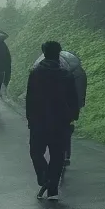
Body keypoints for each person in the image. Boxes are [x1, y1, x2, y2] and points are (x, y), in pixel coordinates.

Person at [25, 41, 79, 200]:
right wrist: (72, 116)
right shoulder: (66, 75)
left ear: (44, 53)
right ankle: (53, 189)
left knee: (36, 152)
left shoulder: (35, 74)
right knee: (57, 155)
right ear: (59, 53)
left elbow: (30, 98)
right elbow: (73, 99)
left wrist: (30, 117)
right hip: (61, 121)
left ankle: (43, 177)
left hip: (38, 120)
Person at [65, 57, 87, 165]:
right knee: (68, 130)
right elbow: (82, 91)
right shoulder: (80, 72)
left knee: (62, 131)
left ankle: (63, 154)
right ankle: (66, 155)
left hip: (65, 105)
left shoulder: (65, 73)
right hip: (73, 106)